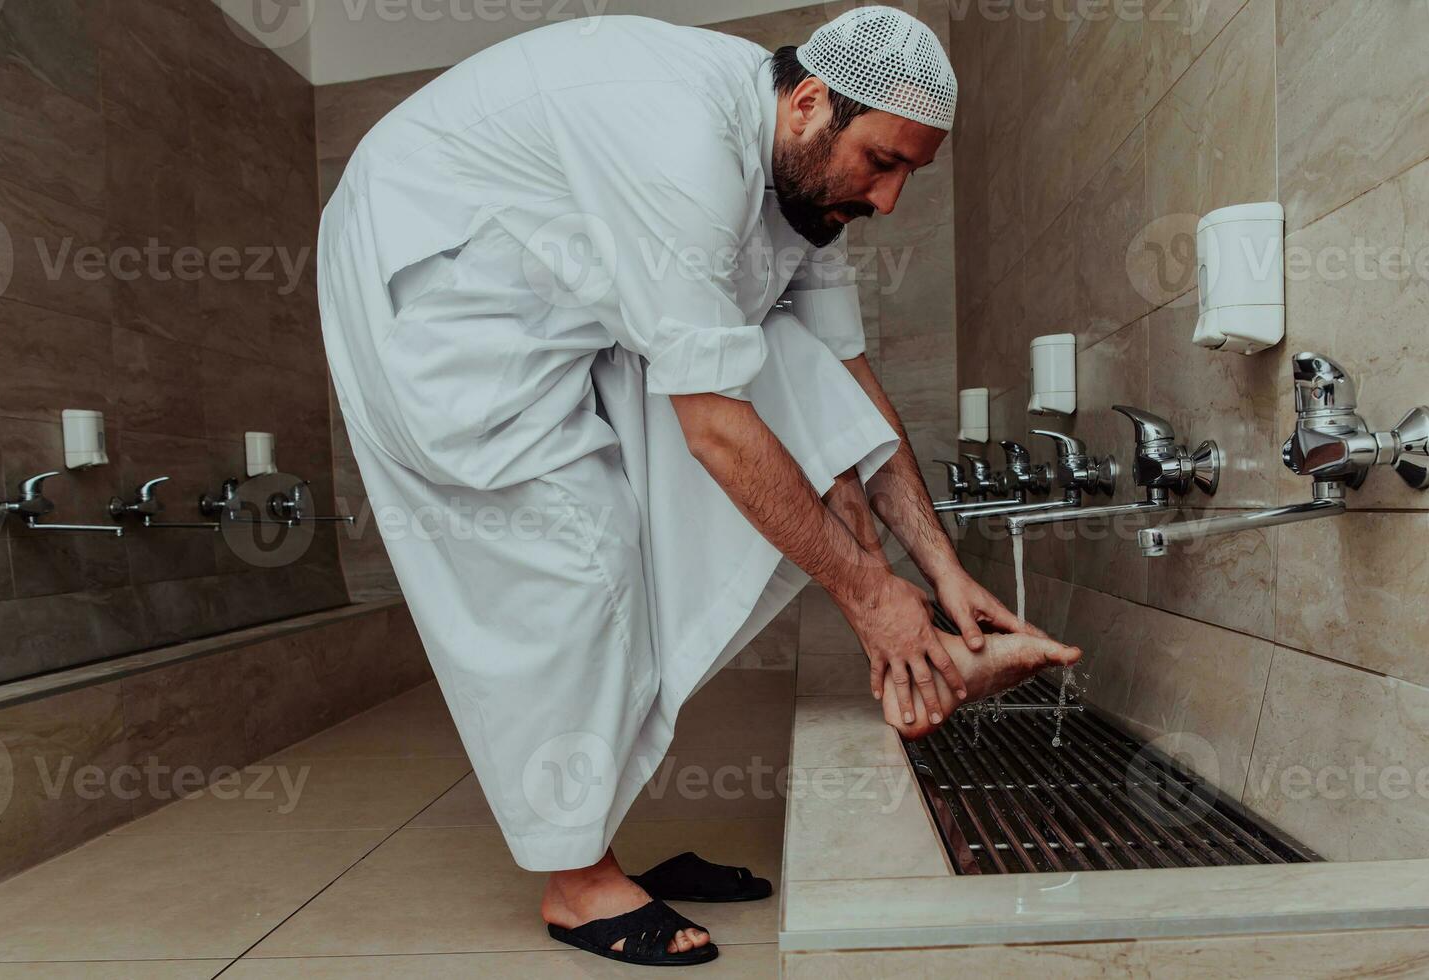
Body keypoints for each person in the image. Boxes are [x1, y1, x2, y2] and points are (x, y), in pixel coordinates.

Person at [316, 6, 1080, 967]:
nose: (889, 202)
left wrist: (935, 563)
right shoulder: (684, 152)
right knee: (581, 560)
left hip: (562, 298)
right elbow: (717, 430)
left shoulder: (806, 187)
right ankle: (576, 884)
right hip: (438, 295)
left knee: (786, 367)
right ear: (810, 104)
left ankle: (906, 649)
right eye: (883, 164)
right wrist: (867, 595)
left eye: (907, 177)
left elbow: (843, 376)